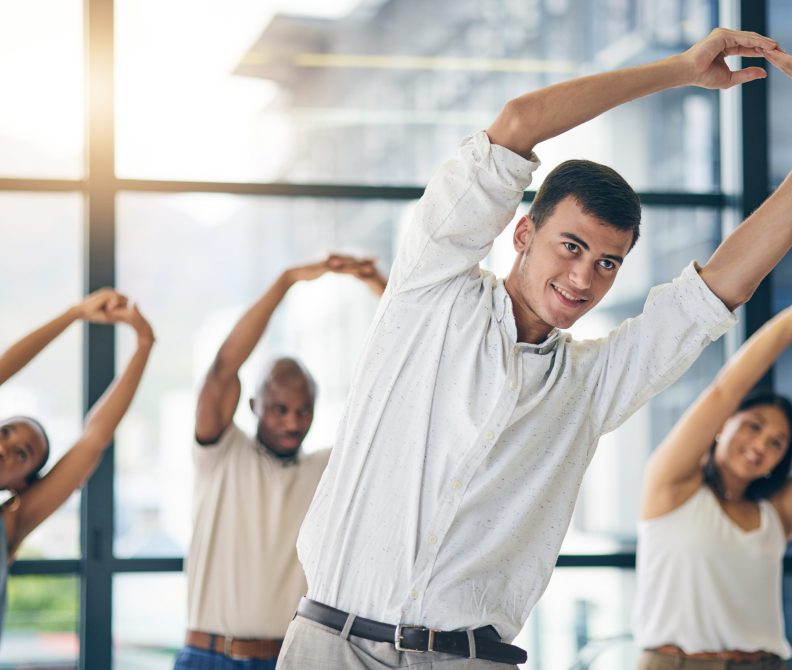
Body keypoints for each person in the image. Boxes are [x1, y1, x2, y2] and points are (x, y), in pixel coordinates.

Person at [277, 29, 792, 670]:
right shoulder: (430, 293)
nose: (583, 278)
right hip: (332, 645)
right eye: (570, 246)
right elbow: (519, 123)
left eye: (608, 263)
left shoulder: (591, 383)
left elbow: (718, 288)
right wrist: (681, 70)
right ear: (524, 231)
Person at [174, 255, 386, 670]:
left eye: (303, 410)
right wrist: (285, 282)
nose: (293, 421)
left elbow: (400, 382)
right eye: (279, 408)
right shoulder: (221, 454)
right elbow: (222, 369)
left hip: (292, 659)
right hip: (209, 657)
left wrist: (379, 285)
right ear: (253, 406)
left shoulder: (326, 470)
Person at [633, 304, 792, 669]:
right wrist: (786, 326)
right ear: (723, 424)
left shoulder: (775, 516)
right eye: (755, 426)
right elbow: (726, 389)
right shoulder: (670, 487)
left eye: (777, 443)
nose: (761, 445)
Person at [0, 289, 154, 640]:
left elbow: (94, 437)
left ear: (21, 483)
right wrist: (73, 314)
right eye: (6, 431)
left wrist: (144, 342)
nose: (6, 447)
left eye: (23, 454)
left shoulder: (11, 525)